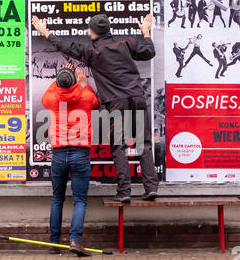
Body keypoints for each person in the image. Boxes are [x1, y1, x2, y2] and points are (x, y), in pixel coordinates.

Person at [32, 13, 159, 202]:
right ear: (108, 30)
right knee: (143, 143)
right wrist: (146, 32)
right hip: (137, 97)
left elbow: (64, 46)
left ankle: (124, 192)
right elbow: (149, 52)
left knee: (119, 145)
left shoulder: (91, 50)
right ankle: (151, 188)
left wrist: (44, 32)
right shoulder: (125, 43)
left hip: (116, 103)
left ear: (92, 32)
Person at [41, 64, 99, 256]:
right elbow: (96, 103)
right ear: (74, 83)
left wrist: (61, 76)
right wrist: (83, 82)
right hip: (80, 154)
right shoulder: (87, 96)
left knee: (57, 198)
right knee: (79, 200)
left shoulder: (51, 98)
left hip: (58, 154)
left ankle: (54, 242)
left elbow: (52, 90)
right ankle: (75, 241)